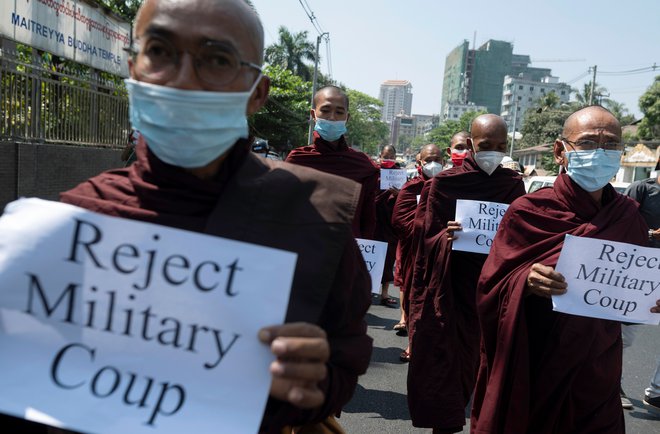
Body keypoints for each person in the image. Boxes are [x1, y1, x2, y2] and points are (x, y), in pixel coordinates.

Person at [3, 1, 375, 433]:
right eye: (159, 51)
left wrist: (318, 382)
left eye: (217, 59)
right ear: (133, 70)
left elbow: (346, 352)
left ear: (257, 92)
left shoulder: (313, 217)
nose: (181, 81)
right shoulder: (73, 221)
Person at [471, 106, 660, 434]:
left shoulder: (627, 217)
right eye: (586, 144)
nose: (599, 154)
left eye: (611, 146)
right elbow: (490, 287)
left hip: (598, 367)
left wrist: (651, 302)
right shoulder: (529, 210)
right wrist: (523, 280)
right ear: (561, 151)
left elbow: (629, 299)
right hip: (537, 360)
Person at [406, 115, 525, 433]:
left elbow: (520, 236)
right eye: (487, 146)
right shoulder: (445, 182)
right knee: (448, 363)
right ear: (472, 145)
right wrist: (445, 236)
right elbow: (425, 236)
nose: (494, 152)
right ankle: (445, 424)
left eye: (501, 147)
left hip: (495, 289)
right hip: (453, 287)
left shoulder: (512, 184)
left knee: (489, 366)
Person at [286, 86, 379, 239]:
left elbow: (368, 220)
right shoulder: (298, 159)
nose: (332, 117)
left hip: (346, 249)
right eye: (326, 110)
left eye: (339, 112)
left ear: (347, 118)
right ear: (313, 114)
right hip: (304, 244)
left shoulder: (362, 166)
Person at [391, 143, 442, 362]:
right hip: (416, 253)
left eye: (438, 159)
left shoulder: (448, 187)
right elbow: (400, 221)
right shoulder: (411, 188)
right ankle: (413, 343)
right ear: (419, 162)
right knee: (415, 297)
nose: (434, 164)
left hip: (441, 254)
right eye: (429, 159)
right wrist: (431, 230)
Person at [621, 162, 660, 410]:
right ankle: (612, 384)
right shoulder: (641, 190)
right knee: (625, 336)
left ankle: (656, 393)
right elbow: (620, 226)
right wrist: (651, 236)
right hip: (638, 274)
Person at [374, 145, 401, 308]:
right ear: (380, 156)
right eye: (385, 155)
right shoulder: (374, 172)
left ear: (396, 157)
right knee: (372, 255)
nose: (388, 158)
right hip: (374, 220)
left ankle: (384, 293)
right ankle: (366, 290)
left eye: (391, 155)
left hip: (390, 222)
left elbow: (406, 197)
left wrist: (399, 194)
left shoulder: (399, 175)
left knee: (388, 258)